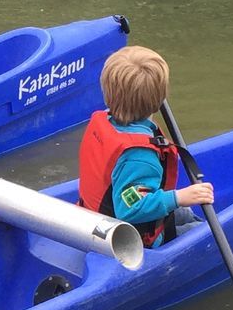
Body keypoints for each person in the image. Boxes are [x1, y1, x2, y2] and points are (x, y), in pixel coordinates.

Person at [76, 43, 214, 248]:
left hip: (97, 218)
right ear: (158, 101)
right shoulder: (139, 156)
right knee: (205, 233)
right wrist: (179, 197)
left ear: (108, 93)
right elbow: (130, 208)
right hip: (131, 240)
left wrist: (178, 201)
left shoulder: (107, 121)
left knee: (184, 212)